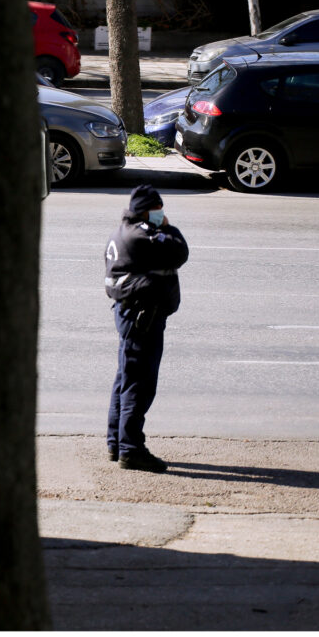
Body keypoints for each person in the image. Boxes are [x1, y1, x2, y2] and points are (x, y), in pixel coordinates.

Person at [103, 184, 189, 473]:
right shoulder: (142, 235)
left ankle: (116, 443)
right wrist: (169, 226)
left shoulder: (123, 231)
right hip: (142, 317)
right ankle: (131, 450)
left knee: (126, 379)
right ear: (146, 210)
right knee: (139, 384)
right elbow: (179, 251)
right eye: (158, 209)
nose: (162, 214)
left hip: (132, 314)